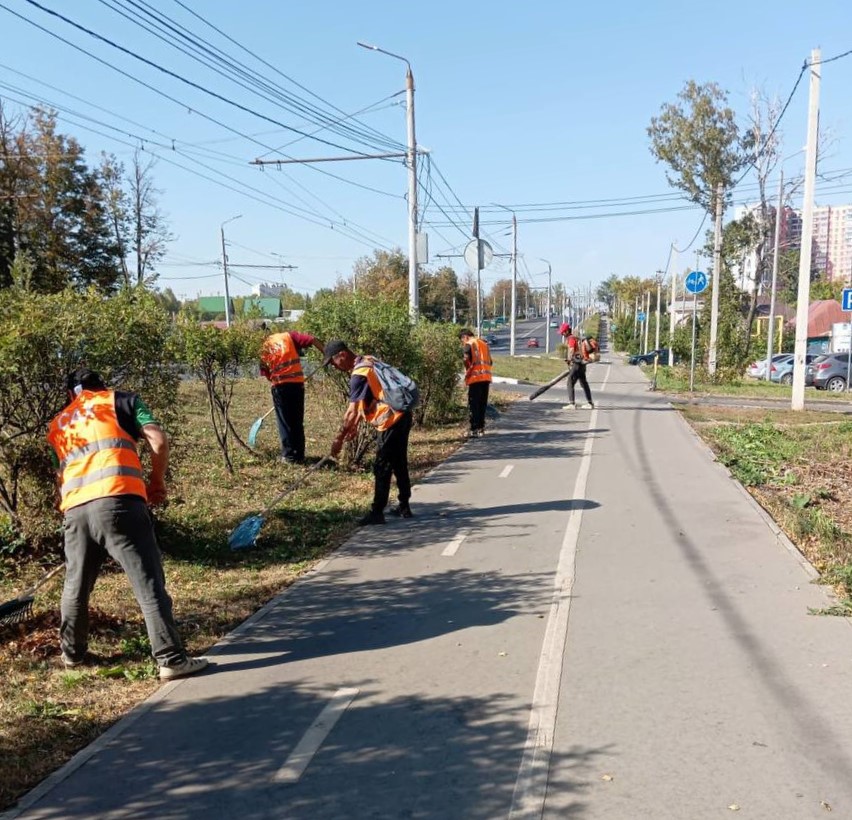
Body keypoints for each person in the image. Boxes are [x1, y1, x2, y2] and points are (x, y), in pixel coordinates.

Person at [46, 369, 208, 680]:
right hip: (120, 501)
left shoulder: (59, 423)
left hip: (76, 510)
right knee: (147, 582)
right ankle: (171, 659)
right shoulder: (122, 401)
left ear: (72, 395)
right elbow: (158, 441)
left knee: (75, 585)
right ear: (101, 386)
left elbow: (59, 478)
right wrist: (156, 483)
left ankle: (72, 655)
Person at [324, 339, 413, 525]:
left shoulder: (359, 373)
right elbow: (366, 400)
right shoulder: (369, 360)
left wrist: (338, 440)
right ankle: (404, 504)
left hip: (391, 420)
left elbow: (351, 411)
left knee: (381, 465)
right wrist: (355, 426)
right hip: (404, 413)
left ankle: (377, 512)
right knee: (399, 460)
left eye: (333, 361)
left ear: (342, 355)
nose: (333, 366)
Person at [259, 329, 324, 464]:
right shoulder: (288, 336)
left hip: (281, 386)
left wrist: (275, 382)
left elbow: (265, 372)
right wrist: (327, 354)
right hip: (297, 385)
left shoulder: (263, 347)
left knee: (285, 422)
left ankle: (289, 456)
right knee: (296, 421)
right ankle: (299, 455)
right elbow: (312, 339)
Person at [458, 328, 493, 437]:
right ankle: (481, 428)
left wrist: (467, 368)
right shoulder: (484, 344)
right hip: (486, 378)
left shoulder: (469, 344)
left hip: (475, 378)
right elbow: (490, 362)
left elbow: (465, 358)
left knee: (474, 404)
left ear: (465, 337)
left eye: (461, 341)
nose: (462, 343)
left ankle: (474, 429)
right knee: (482, 404)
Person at [562, 327, 596, 410]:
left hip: (576, 363)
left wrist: (569, 360)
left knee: (570, 381)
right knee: (583, 383)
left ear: (566, 331)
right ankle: (590, 403)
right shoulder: (577, 338)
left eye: (563, 332)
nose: (562, 334)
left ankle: (572, 404)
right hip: (582, 363)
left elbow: (572, 350)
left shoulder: (571, 339)